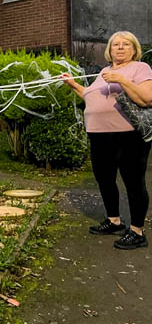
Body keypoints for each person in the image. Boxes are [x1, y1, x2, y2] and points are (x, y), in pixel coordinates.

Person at [62, 31, 152, 249]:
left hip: (128, 135)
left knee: (133, 182)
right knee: (104, 179)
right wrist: (74, 85)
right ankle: (114, 221)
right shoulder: (104, 70)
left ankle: (137, 231)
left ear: (134, 49)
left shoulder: (140, 68)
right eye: (115, 45)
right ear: (109, 50)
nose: (120, 48)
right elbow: (90, 96)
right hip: (99, 135)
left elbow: (147, 98)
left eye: (125, 44)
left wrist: (121, 79)